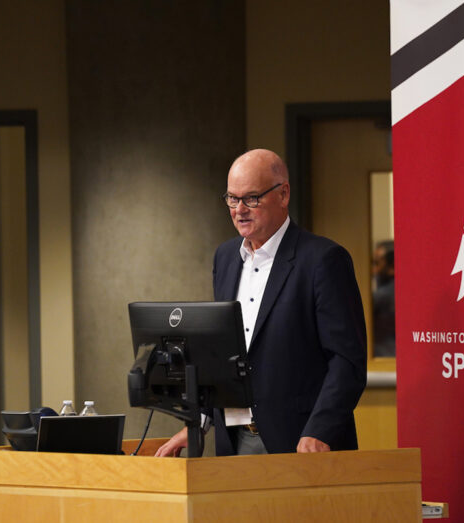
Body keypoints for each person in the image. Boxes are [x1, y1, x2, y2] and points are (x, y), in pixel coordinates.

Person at [155, 149, 367, 456]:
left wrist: (321, 430)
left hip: (301, 443)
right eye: (232, 198)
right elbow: (222, 355)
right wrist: (198, 422)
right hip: (234, 441)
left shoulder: (323, 260)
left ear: (283, 194)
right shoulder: (225, 258)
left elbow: (347, 361)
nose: (239, 210)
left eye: (251, 198)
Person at [371, 240, 396, 357]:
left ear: (392, 266)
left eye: (377, 263)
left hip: (385, 356)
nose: (373, 270)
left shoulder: (384, 295)